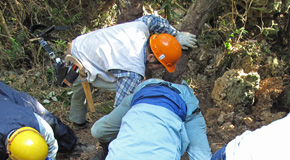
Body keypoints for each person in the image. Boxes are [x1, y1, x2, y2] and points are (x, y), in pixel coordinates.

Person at [67, 14, 197, 135]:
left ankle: (77, 121)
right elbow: (120, 108)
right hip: (81, 60)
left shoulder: (139, 29)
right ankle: (84, 125)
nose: (159, 69)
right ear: (151, 57)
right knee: (131, 91)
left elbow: (153, 19)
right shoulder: (132, 70)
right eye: (160, 65)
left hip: (79, 45)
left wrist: (175, 34)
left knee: (80, 84)